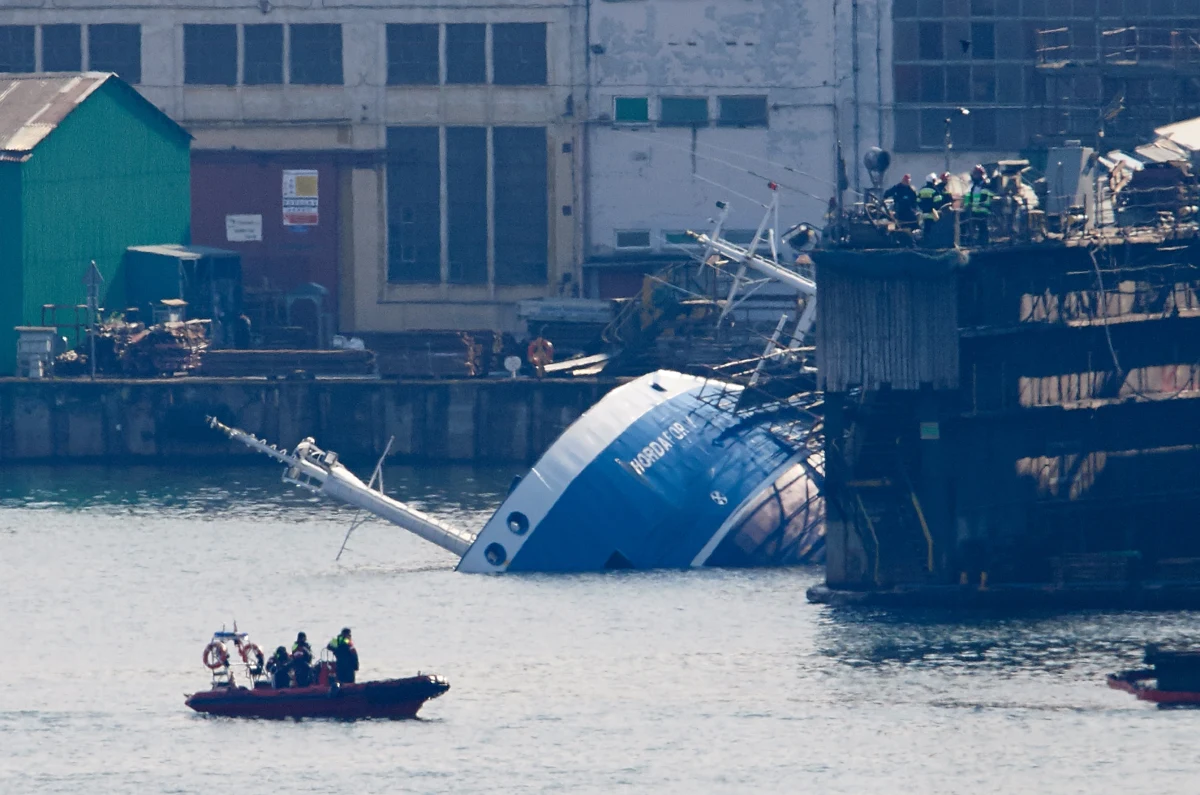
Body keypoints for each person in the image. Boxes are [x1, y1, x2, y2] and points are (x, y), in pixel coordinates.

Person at [964, 165, 994, 245]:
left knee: (983, 227)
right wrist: (968, 204)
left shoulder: (985, 184)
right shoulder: (974, 186)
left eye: (975, 174)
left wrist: (983, 204)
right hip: (975, 210)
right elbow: (971, 196)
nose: (974, 176)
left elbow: (988, 196)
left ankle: (984, 243)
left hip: (983, 210)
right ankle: (976, 242)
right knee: (973, 227)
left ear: (980, 174)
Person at [916, 173, 943, 238]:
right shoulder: (934, 190)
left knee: (925, 228)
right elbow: (938, 200)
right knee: (934, 229)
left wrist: (923, 208)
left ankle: (925, 239)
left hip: (924, 214)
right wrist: (934, 208)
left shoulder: (922, 190)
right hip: (933, 214)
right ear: (933, 180)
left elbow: (918, 201)